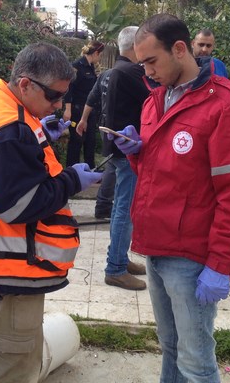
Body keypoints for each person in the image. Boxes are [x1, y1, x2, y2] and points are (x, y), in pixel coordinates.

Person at [107, 14, 230, 382]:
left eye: (151, 61)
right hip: (157, 246)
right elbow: (160, 174)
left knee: (196, 362)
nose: (146, 72)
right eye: (141, 62)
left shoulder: (227, 105)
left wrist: (221, 261)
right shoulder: (155, 101)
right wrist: (136, 151)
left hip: (192, 255)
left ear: (180, 49)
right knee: (170, 346)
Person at [0, 42, 102, 383]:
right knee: (10, 369)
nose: (59, 106)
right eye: (53, 97)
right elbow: (18, 206)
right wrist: (72, 179)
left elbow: (1, 167)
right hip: (8, 267)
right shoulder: (9, 129)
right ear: (25, 83)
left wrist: (39, 133)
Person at [102, 26, 151, 291]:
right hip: (127, 150)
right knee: (125, 209)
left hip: (118, 146)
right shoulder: (132, 71)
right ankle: (115, 268)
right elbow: (158, 96)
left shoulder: (113, 71)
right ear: (136, 46)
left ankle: (120, 258)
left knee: (124, 208)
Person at [76, 62, 115, 220]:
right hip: (118, 128)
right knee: (115, 165)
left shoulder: (106, 75)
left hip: (105, 125)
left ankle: (104, 205)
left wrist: (83, 119)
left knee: (113, 164)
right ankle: (104, 205)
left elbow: (91, 99)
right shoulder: (130, 73)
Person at [63, 40, 105, 168]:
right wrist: (67, 110)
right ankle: (72, 170)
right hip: (77, 110)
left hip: (89, 110)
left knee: (90, 140)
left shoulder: (91, 66)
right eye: (101, 54)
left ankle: (90, 169)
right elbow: (69, 89)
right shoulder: (77, 66)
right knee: (77, 140)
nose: (100, 57)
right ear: (96, 52)